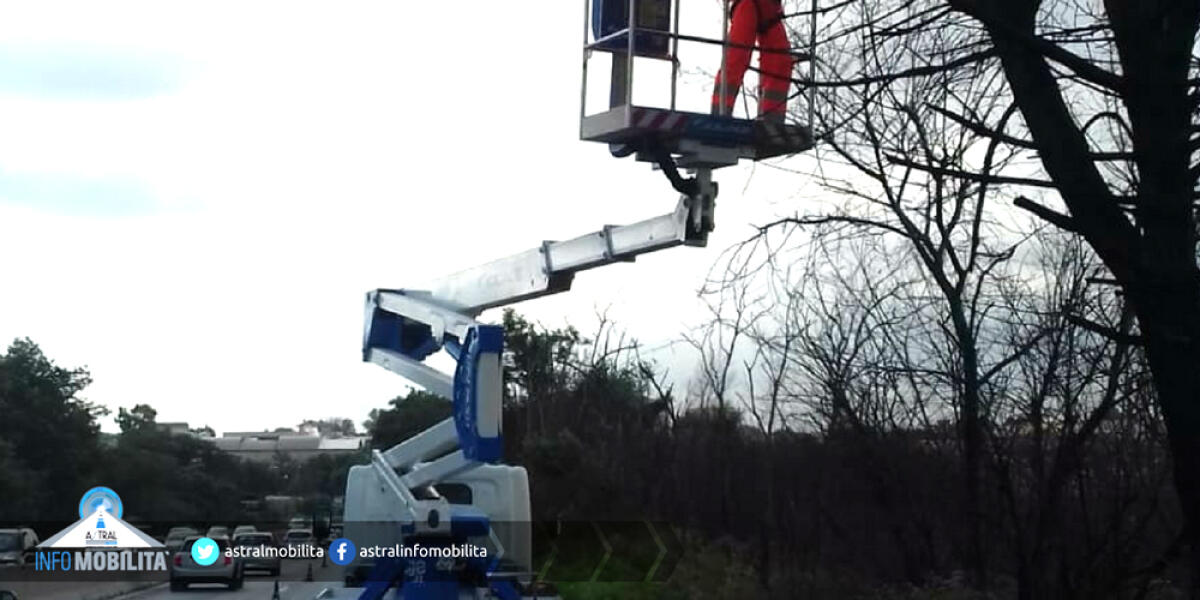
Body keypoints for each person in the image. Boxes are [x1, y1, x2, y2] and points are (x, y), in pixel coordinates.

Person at [712, 0, 793, 122]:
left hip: (769, 7)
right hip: (748, 3)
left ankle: (772, 121)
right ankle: (719, 115)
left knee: (781, 63)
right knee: (736, 58)